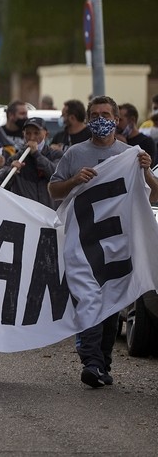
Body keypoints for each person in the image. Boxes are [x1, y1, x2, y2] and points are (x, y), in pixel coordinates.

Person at [48, 96, 158, 388]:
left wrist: (146, 170)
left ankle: (102, 364)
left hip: (118, 246)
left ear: (117, 118)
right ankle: (91, 361)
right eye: (95, 114)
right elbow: (54, 191)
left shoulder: (131, 155)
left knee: (111, 305)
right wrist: (74, 182)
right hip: (83, 245)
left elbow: (154, 196)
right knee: (89, 300)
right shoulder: (75, 154)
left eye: (105, 114)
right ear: (88, 118)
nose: (100, 118)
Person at [0, 117, 62, 208]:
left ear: (46, 134)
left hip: (49, 213)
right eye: (28, 133)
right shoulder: (16, 158)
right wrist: (10, 171)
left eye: (36, 133)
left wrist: (36, 155)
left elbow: (56, 175)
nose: (32, 138)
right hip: (25, 215)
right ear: (23, 134)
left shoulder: (56, 155)